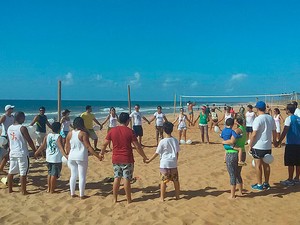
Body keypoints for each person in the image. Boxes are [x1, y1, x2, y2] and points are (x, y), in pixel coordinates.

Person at [100, 112, 148, 204]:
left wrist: (102, 153)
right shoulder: (130, 131)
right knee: (127, 179)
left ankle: (115, 199)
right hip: (127, 158)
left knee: (117, 178)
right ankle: (128, 199)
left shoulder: (112, 131)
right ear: (127, 121)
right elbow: (137, 146)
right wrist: (144, 157)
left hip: (116, 159)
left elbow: (104, 144)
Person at [65, 117, 101, 199]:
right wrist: (97, 155)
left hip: (72, 156)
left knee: (73, 175)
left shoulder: (70, 133)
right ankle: (81, 194)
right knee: (82, 176)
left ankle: (72, 193)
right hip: (81, 156)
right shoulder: (83, 133)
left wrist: (67, 154)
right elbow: (88, 147)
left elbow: (67, 146)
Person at [146, 122, 180, 201]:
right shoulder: (175, 140)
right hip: (173, 163)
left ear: (164, 130)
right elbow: (177, 152)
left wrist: (149, 160)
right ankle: (177, 196)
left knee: (163, 181)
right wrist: (175, 160)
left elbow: (157, 153)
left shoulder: (162, 141)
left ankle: (162, 197)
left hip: (164, 163)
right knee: (176, 181)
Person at [249, 101, 277, 191]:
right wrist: (274, 141)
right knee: (266, 164)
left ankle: (260, 184)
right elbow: (274, 131)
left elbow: (254, 134)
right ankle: (266, 183)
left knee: (258, 165)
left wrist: (250, 145)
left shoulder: (258, 119)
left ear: (257, 109)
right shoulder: (270, 118)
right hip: (267, 145)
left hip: (258, 145)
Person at [7, 111, 36, 195]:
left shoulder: (9, 128)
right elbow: (29, 141)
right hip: (22, 153)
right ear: (19, 118)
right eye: (23, 117)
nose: (24, 119)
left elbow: (9, 141)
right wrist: (35, 151)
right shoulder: (22, 128)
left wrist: (10, 150)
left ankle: (10, 189)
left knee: (11, 171)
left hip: (13, 152)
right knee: (23, 172)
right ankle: (24, 191)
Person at [34, 122, 67, 193]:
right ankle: (52, 189)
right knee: (54, 175)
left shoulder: (48, 136)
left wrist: (36, 152)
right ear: (59, 129)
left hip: (48, 158)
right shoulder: (58, 136)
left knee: (49, 173)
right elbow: (61, 148)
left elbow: (42, 146)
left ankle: (49, 188)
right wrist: (66, 156)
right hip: (56, 158)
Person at [221, 118, 245, 199]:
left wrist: (224, 141)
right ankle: (241, 192)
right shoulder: (243, 129)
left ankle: (232, 195)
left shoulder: (227, 130)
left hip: (230, 153)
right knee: (238, 174)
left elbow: (231, 141)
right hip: (239, 152)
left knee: (232, 175)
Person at [277, 103, 300, 186]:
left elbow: (285, 131)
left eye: (286, 109)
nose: (285, 111)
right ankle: (297, 178)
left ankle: (290, 179)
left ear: (288, 110)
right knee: (298, 162)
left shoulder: (289, 119)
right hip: (298, 143)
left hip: (291, 143)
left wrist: (279, 141)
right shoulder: (298, 118)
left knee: (290, 162)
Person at [0, 105, 15, 174]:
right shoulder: (4, 117)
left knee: (9, 151)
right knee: (3, 152)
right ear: (8, 109)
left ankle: (2, 167)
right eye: (11, 108)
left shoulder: (12, 117)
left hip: (11, 136)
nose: (12, 109)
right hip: (5, 136)